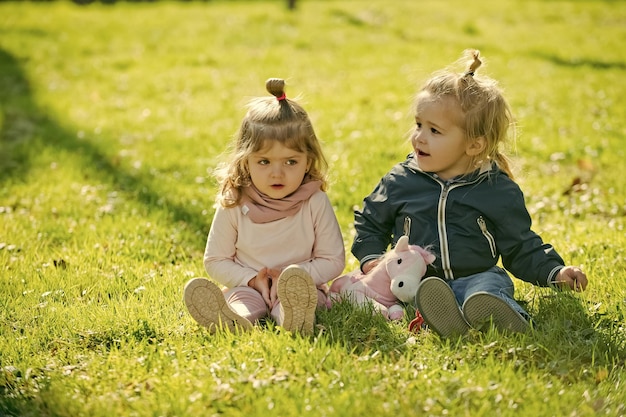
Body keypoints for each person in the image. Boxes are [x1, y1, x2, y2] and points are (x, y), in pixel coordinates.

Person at [351, 50, 588, 337]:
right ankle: (440, 314)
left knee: (487, 288)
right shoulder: (401, 180)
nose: (419, 137)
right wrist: (372, 259)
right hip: (418, 280)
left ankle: (496, 314)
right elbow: (371, 222)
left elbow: (521, 246)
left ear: (474, 145)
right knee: (418, 294)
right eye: (418, 125)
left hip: (477, 276)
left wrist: (555, 272)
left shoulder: (495, 189)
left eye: (434, 131)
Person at [184, 78, 345, 336]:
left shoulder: (313, 200)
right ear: (245, 161)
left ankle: (293, 317)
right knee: (242, 301)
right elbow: (216, 260)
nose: (277, 174)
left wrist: (292, 278)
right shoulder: (235, 201)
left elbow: (333, 260)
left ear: (308, 161)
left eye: (291, 162)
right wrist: (251, 279)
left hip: (301, 285)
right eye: (264, 162)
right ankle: (235, 320)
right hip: (250, 284)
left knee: (300, 299)